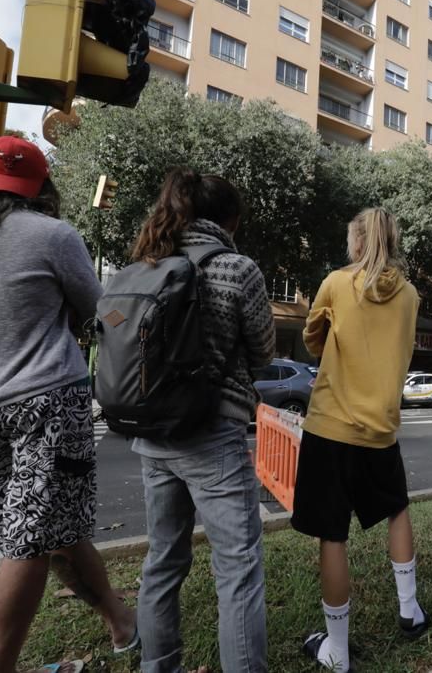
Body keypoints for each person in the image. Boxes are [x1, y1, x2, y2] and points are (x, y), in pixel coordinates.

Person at [0, 136, 136, 673]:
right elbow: (104, 315)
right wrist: (135, 329)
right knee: (30, 544)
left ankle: (121, 622)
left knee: (46, 532)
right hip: (49, 406)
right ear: (40, 189)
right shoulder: (52, 235)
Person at [130, 169, 275, 673]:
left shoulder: (148, 262)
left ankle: (157, 666)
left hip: (151, 434)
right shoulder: (237, 267)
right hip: (213, 433)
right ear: (227, 220)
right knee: (237, 569)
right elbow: (262, 350)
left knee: (163, 562)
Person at [292, 208, 430, 673]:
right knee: (397, 508)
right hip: (381, 429)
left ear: (356, 243)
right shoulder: (410, 295)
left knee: (333, 534)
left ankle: (337, 650)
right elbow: (404, 349)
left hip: (330, 426)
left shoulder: (335, 283)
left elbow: (313, 339)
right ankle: (409, 610)